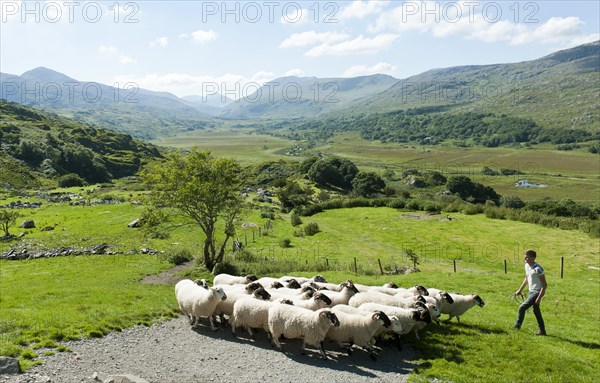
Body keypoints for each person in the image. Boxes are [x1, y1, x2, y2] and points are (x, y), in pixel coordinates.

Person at [514, 249, 547, 335]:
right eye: (525, 257)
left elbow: (544, 285)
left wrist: (539, 297)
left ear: (533, 258)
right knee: (536, 311)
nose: (525, 259)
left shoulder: (538, 269)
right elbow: (526, 278)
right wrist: (520, 290)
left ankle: (517, 327)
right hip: (531, 291)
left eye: (527, 257)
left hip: (537, 292)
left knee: (522, 308)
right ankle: (542, 331)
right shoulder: (527, 266)